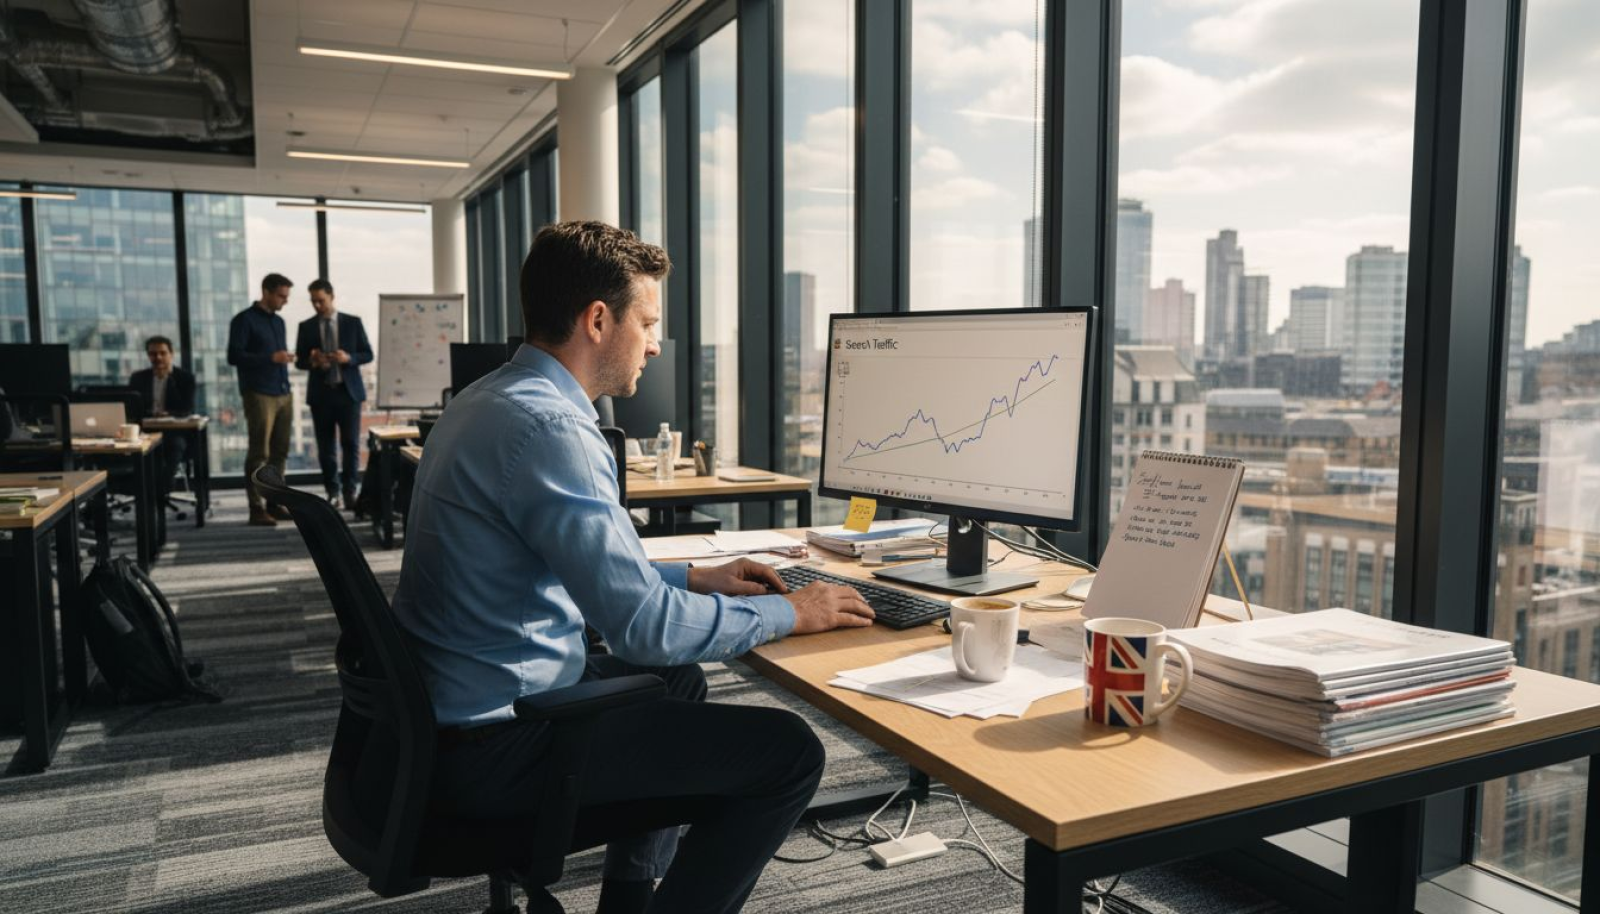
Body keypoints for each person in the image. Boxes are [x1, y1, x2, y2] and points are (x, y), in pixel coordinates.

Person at [390, 221, 875, 914]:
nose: (654, 343)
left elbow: (555, 569)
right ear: (596, 320)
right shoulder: (552, 429)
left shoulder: (488, 399)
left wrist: (695, 577)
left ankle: (627, 900)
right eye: (646, 322)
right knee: (788, 754)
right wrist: (793, 611)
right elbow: (642, 628)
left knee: (672, 683)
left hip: (452, 717)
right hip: (498, 746)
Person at [294, 279, 372, 509]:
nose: (317, 305)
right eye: (313, 302)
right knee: (326, 447)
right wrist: (312, 361)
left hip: (348, 393)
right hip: (321, 394)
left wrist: (349, 358)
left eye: (321, 300)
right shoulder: (306, 326)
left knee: (351, 444)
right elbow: (299, 361)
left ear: (332, 296)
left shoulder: (352, 323)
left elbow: (367, 353)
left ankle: (350, 491)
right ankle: (332, 492)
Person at [228, 273, 295, 527]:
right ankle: (256, 508)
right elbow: (234, 356)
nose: (284, 301)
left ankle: (274, 503)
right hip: (258, 393)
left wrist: (282, 359)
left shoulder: (279, 322)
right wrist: (270, 358)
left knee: (280, 452)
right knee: (259, 452)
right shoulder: (244, 320)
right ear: (266, 291)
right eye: (281, 296)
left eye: (287, 296)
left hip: (283, 392)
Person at [128, 334, 197, 492]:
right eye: (153, 354)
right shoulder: (138, 378)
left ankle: (161, 491)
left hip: (174, 431)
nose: (158, 357)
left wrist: (168, 380)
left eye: (162, 353)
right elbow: (131, 407)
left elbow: (187, 408)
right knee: (139, 450)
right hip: (146, 430)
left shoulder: (185, 378)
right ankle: (146, 492)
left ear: (171, 354)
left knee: (175, 446)